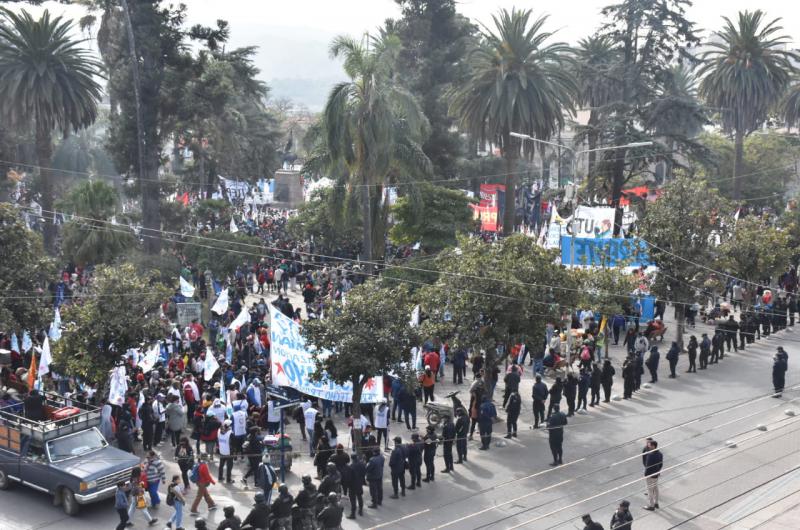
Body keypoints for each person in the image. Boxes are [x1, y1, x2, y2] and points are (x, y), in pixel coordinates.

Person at [643, 439, 663, 510]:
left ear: (653, 446)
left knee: (650, 490)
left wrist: (645, 475)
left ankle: (651, 506)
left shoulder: (650, 455)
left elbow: (648, 467)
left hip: (650, 475)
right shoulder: (660, 453)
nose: (648, 447)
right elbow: (661, 464)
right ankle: (656, 503)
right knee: (656, 488)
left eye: (649, 445)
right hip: (656, 474)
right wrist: (658, 471)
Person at [346, 452, 366, 518]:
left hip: (352, 485)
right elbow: (364, 473)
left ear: (352, 458)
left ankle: (353, 514)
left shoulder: (351, 466)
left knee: (353, 500)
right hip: (359, 483)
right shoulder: (362, 464)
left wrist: (348, 485)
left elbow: (348, 477)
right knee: (360, 497)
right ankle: (360, 510)